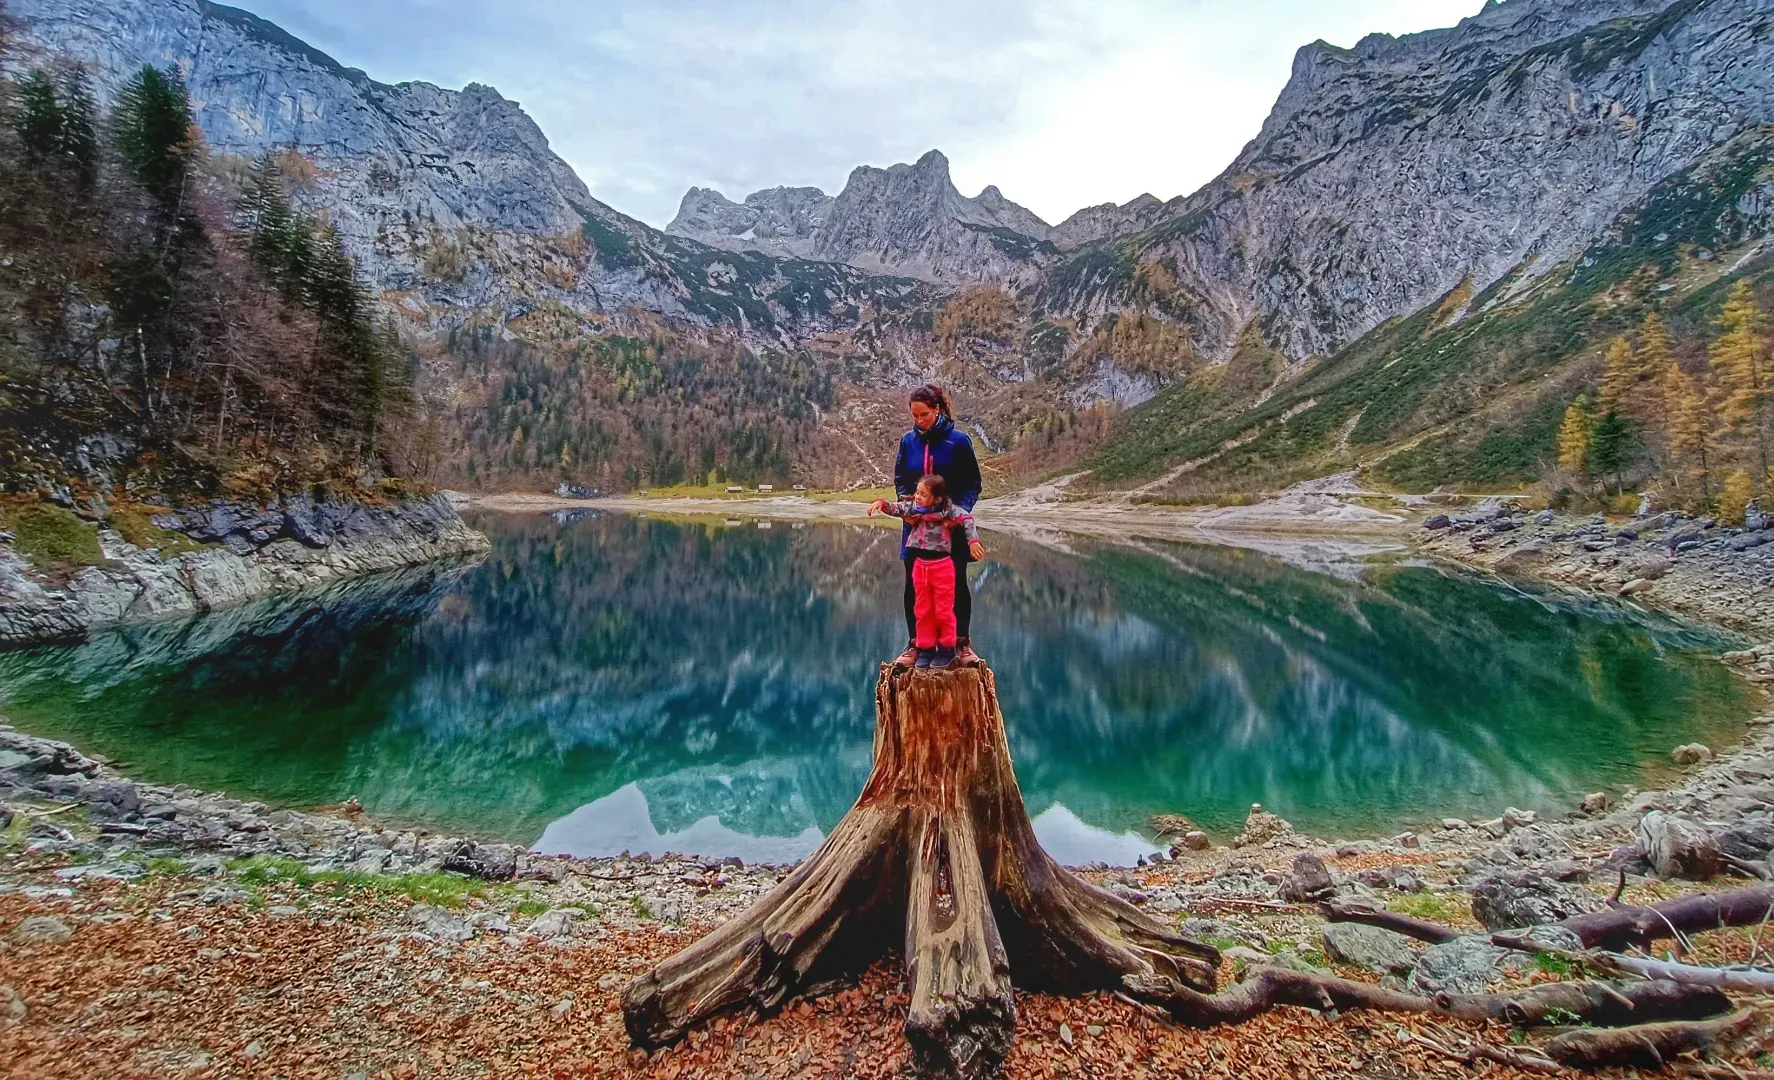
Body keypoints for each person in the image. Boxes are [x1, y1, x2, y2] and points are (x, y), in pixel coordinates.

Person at [888, 384, 984, 668]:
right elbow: (901, 480)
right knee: (913, 586)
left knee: (955, 585)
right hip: (916, 527)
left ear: (938, 410)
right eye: (915, 416)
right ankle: (916, 644)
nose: (919, 421)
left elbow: (972, 484)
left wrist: (958, 514)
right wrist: (908, 507)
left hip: (950, 529)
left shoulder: (959, 441)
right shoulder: (908, 441)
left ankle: (961, 644)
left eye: (924, 415)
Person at [869, 476, 984, 668]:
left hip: (942, 568)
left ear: (937, 498)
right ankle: (926, 647)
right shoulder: (914, 509)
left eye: (923, 494)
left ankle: (947, 648)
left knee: (943, 610)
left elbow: (967, 519)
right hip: (920, 567)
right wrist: (881, 503)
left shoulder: (949, 512)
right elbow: (896, 508)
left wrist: (973, 541)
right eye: (917, 492)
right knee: (922, 610)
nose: (917, 497)